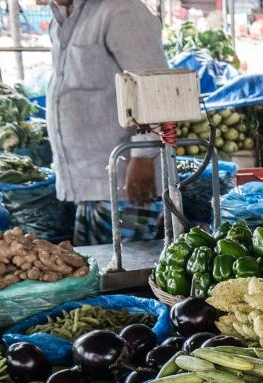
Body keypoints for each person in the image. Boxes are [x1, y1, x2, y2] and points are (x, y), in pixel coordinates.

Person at [48, 0, 168, 246]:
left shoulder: (121, 10)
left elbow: (155, 88)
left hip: (127, 182)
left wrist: (145, 154)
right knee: (98, 273)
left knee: (128, 274)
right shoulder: (62, 17)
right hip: (90, 179)